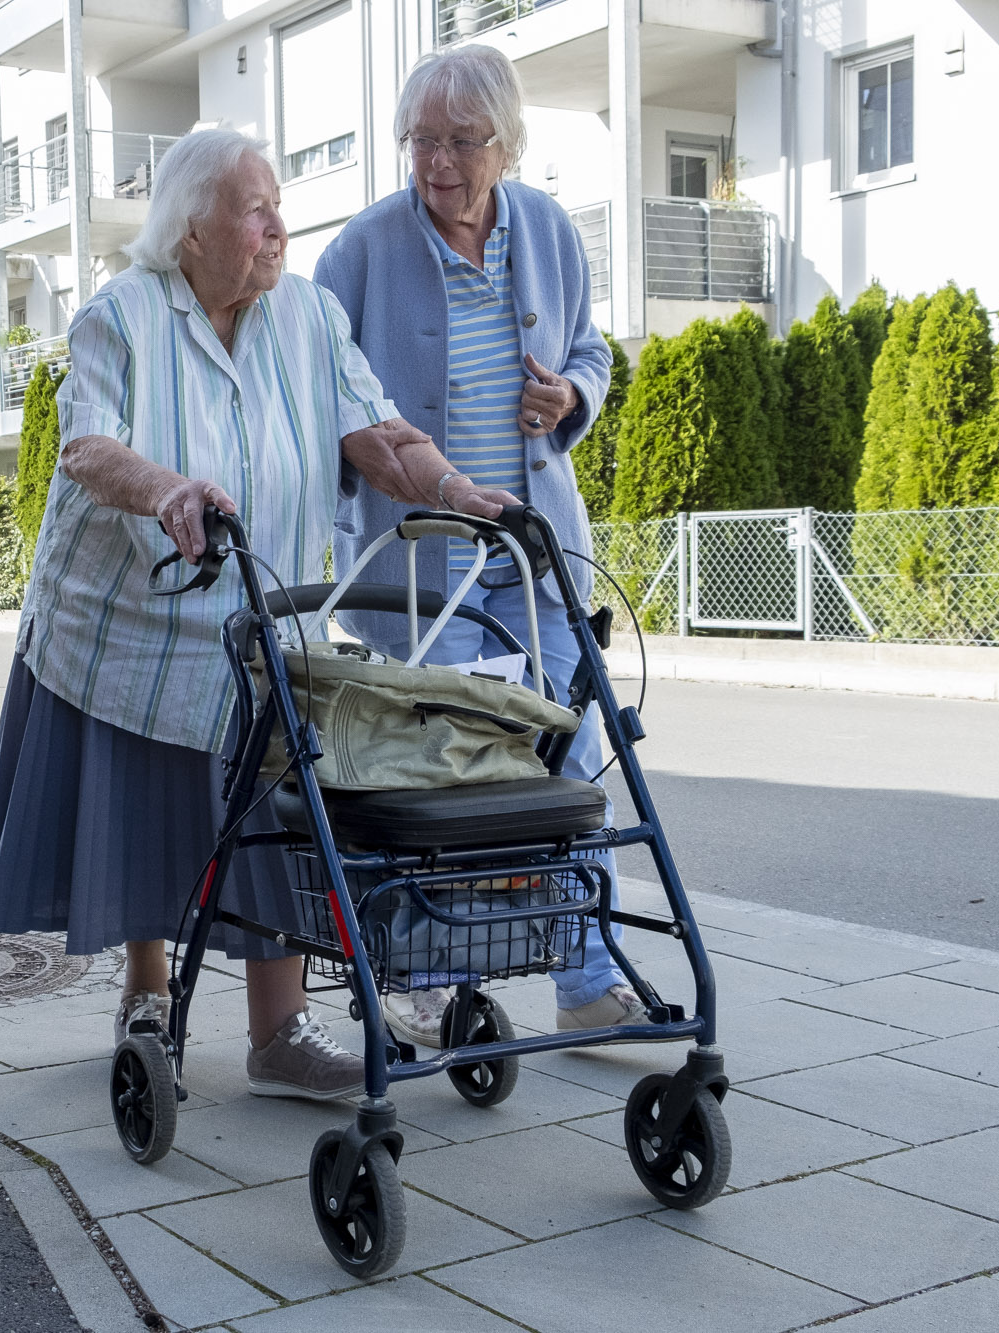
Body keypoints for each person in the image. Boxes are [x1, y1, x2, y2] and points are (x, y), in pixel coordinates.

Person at [0, 129, 509, 1102]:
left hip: (268, 611)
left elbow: (377, 431)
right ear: (189, 229)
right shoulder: (121, 316)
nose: (275, 225)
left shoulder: (306, 312)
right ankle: (143, 995)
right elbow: (85, 447)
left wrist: (453, 488)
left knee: (277, 809)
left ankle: (279, 1032)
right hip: (126, 618)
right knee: (143, 805)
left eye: (276, 205)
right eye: (253, 208)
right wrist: (167, 490)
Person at [313, 45, 652, 1048]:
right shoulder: (360, 252)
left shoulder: (546, 229)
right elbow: (330, 396)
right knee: (435, 765)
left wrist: (571, 395)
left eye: (462, 141)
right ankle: (423, 979)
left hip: (531, 552)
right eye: (421, 140)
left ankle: (586, 978)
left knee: (569, 761)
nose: (438, 163)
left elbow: (589, 347)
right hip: (418, 562)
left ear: (505, 145)